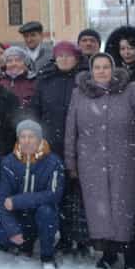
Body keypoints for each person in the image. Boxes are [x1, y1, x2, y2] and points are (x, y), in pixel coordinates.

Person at [65, 52, 135, 269]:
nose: (101, 71)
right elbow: (71, 131)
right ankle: (109, 252)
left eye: (106, 67)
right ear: (91, 71)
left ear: (113, 69)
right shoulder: (80, 94)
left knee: (126, 208)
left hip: (126, 161)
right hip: (90, 162)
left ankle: (130, 255)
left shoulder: (132, 92)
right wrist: (71, 162)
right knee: (100, 210)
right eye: (97, 67)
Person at [30, 40, 89, 254]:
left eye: (68, 55)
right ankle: (62, 236)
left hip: (82, 143)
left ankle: (82, 239)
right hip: (51, 144)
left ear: (76, 58)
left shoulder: (84, 79)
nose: (64, 59)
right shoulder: (45, 80)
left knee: (80, 195)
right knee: (57, 193)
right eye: (60, 55)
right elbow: (35, 110)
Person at [0, 120, 64, 269]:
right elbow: (2, 199)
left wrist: (18, 201)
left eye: (31, 136)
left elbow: (54, 194)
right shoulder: (8, 162)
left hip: (42, 214)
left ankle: (47, 255)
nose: (26, 141)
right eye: (23, 136)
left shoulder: (53, 162)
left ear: (39, 138)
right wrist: (12, 229)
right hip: (20, 216)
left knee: (46, 211)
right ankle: (25, 243)